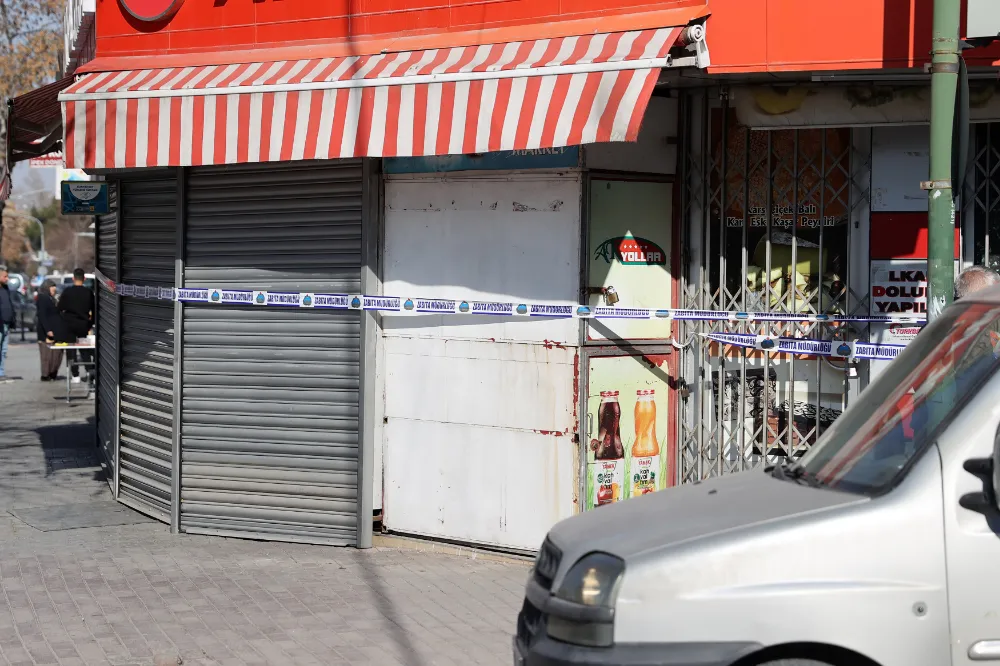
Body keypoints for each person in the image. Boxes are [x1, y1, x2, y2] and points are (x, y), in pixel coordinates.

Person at [58, 268, 95, 385]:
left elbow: (60, 308)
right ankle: (89, 371)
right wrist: (90, 324)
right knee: (84, 350)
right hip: (83, 325)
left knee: (71, 350)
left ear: (73, 278)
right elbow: (94, 310)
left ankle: (75, 375)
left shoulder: (67, 292)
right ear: (84, 278)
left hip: (69, 325)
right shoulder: (88, 292)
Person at [35, 280, 72, 381]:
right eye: (52, 288)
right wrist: (48, 330)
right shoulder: (42, 298)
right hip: (46, 332)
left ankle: (53, 372)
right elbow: (42, 315)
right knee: (46, 354)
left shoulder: (52, 298)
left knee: (56, 354)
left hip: (57, 331)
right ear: (47, 288)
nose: (54, 291)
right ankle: (45, 374)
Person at [0, 266, 15, 385]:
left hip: (6, 323)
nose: (7, 279)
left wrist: (12, 320)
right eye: (5, 276)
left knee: (3, 350)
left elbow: (9, 304)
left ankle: (1, 373)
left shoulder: (6, 288)